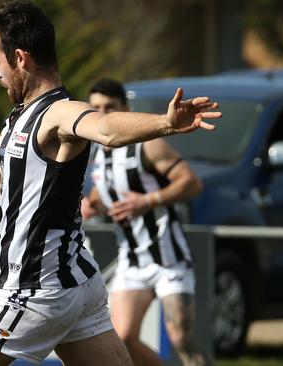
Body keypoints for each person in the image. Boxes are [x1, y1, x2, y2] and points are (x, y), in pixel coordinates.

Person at [0, 1, 221, 365]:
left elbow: (104, 128)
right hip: (77, 284)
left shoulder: (58, 112)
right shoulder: (18, 120)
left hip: (35, 290)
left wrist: (165, 123)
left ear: (21, 58)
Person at [82, 78, 211, 365]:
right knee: (122, 338)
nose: (102, 113)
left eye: (109, 107)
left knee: (181, 339)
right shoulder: (97, 154)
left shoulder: (148, 146)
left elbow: (191, 183)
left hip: (169, 257)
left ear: (125, 109)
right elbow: (105, 192)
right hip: (133, 260)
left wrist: (148, 201)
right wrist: (91, 203)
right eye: (96, 108)